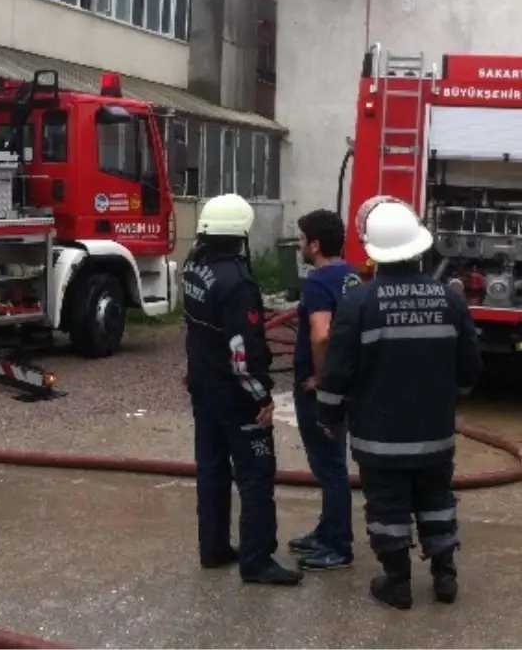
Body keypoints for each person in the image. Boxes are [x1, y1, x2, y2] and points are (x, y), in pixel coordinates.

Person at [315, 197, 482, 610]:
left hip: (379, 438)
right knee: (436, 500)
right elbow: (470, 370)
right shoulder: (450, 300)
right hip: (435, 434)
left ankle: (398, 582)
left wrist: (328, 414)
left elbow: (337, 370)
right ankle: (444, 576)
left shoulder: (359, 303)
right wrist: (451, 399)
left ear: (375, 252)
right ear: (418, 247)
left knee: (387, 507)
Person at [181, 193, 302, 587]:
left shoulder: (193, 267)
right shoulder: (237, 283)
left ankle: (212, 547)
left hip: (203, 386)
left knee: (212, 468)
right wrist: (261, 397)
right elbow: (242, 353)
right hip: (234, 395)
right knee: (255, 475)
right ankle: (257, 560)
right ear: (240, 236)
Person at [287, 209, 360, 571]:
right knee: (332, 462)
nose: (299, 245)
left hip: (322, 389)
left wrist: (321, 379)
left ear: (314, 244)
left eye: (301, 239)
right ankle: (326, 530)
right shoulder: (351, 276)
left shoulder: (317, 282)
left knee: (329, 467)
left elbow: (321, 333)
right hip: (348, 381)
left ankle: (338, 545)